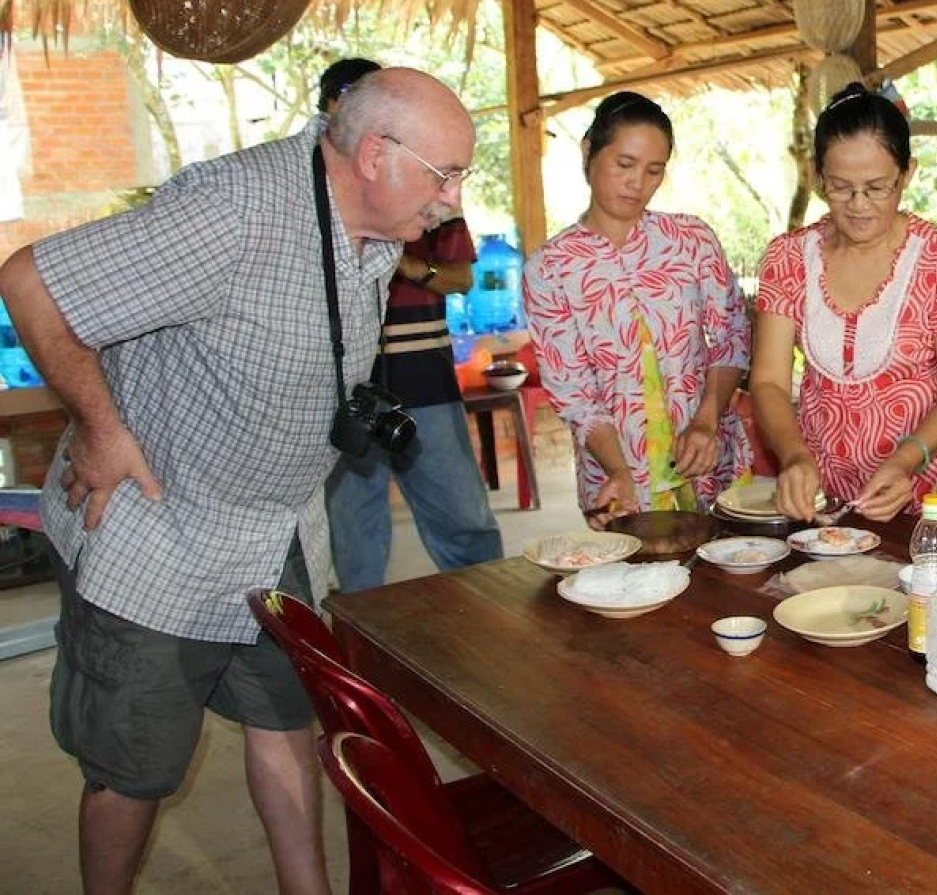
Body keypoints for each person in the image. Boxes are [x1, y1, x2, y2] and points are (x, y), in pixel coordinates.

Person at [0, 67, 471, 895]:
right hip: (162, 530)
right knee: (134, 764)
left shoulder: (377, 229)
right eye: (446, 175)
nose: (455, 200)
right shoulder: (237, 210)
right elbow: (31, 282)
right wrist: (104, 434)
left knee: (287, 718)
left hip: (276, 529)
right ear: (374, 154)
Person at [752, 83, 937, 523]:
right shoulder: (787, 259)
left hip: (929, 492)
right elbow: (768, 382)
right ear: (817, 176)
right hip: (826, 495)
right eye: (840, 187)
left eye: (878, 188)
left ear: (908, 173)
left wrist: (905, 461)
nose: (859, 205)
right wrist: (794, 455)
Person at [523, 91, 752, 526]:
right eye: (624, 165)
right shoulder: (551, 269)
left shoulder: (691, 241)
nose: (637, 184)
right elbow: (575, 394)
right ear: (589, 149)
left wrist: (706, 418)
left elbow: (732, 339)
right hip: (620, 482)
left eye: (654, 170)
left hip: (709, 462)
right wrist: (618, 470)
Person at [320, 58, 502, 592]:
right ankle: (364, 645)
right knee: (354, 535)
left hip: (422, 377)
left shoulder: (433, 193)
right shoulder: (309, 198)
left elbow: (460, 279)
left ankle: (491, 619)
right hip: (343, 390)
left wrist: (401, 259)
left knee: (464, 521)